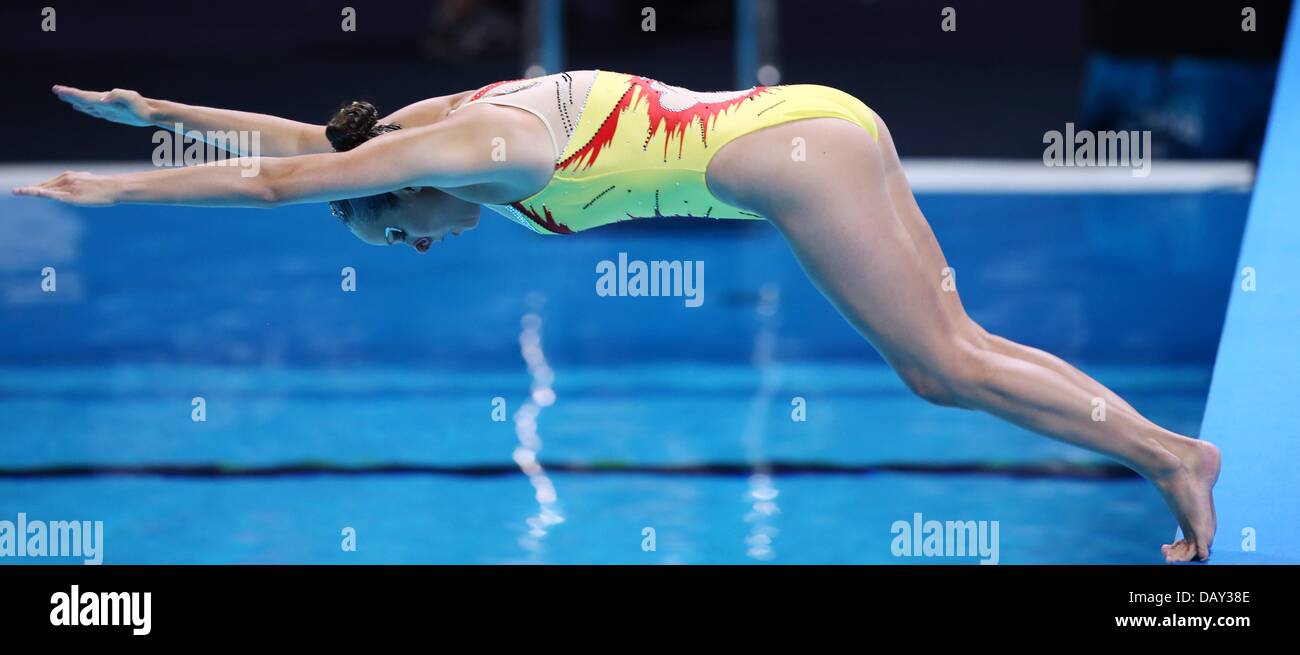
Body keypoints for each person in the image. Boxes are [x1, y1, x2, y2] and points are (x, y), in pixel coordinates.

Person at [17, 70, 1220, 562]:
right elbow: (324, 151)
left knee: (944, 368)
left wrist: (114, 188)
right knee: (953, 358)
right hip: (811, 127)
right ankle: (1171, 449)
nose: (425, 239)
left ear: (408, 194)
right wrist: (155, 108)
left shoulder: (481, 148)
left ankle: (1175, 456)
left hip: (793, 157)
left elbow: (289, 180)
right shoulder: (431, 145)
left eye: (403, 229)